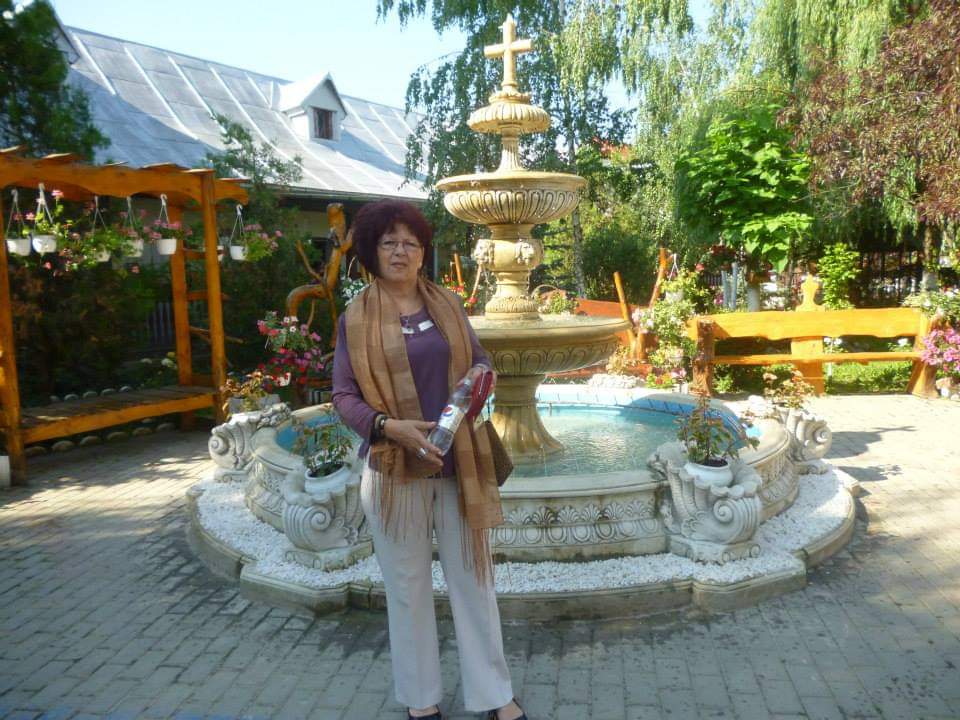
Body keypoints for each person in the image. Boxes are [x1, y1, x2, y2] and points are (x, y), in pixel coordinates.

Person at [331, 200, 526, 720]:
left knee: (474, 580)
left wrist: (480, 378)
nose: (400, 251)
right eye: (389, 242)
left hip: (458, 463)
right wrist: (386, 427)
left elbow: (479, 359)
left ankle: (495, 695)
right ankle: (421, 701)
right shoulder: (355, 319)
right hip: (393, 469)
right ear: (372, 251)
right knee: (407, 588)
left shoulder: (448, 305)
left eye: (410, 243)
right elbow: (343, 396)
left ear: (422, 252)